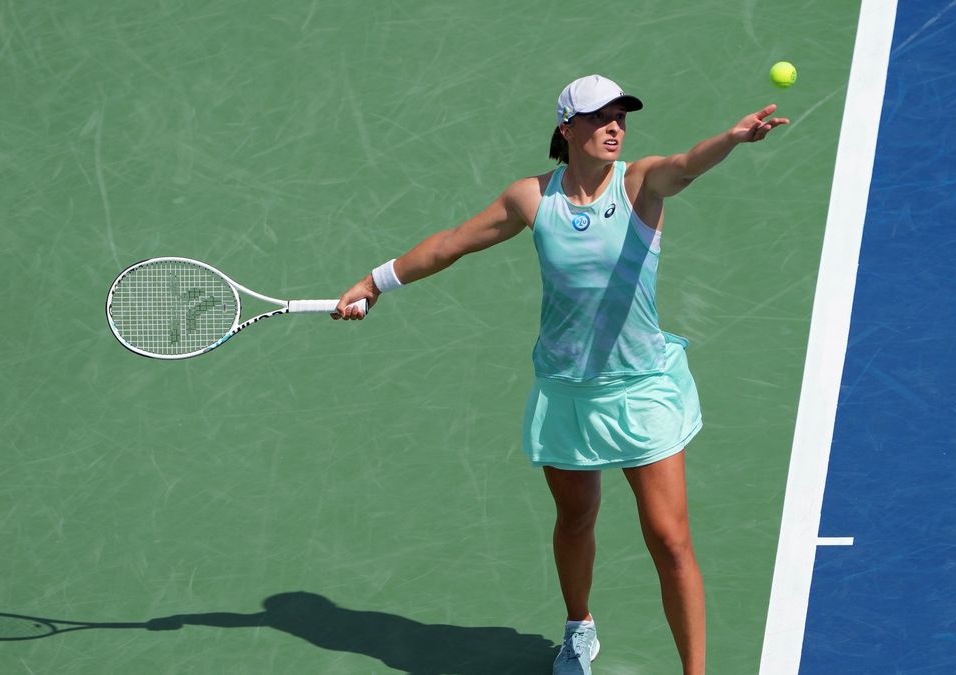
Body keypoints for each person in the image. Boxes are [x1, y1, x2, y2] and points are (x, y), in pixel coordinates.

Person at [332, 74, 788, 675]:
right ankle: (580, 628)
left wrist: (729, 139)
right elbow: (451, 244)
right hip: (567, 390)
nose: (615, 127)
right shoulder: (531, 199)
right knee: (575, 519)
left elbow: (686, 164)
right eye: (600, 118)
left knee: (670, 541)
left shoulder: (639, 182)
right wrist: (374, 281)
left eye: (621, 116)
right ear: (566, 127)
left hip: (642, 389)